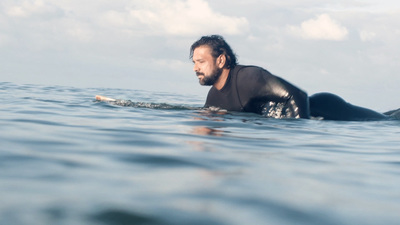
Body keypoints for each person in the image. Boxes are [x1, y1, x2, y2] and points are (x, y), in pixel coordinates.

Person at [190, 35, 389, 121]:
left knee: (387, 121)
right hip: (320, 119)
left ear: (221, 60)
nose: (195, 68)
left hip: (331, 112)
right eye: (194, 63)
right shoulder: (213, 96)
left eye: (201, 61)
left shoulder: (249, 78)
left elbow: (298, 95)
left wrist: (298, 136)